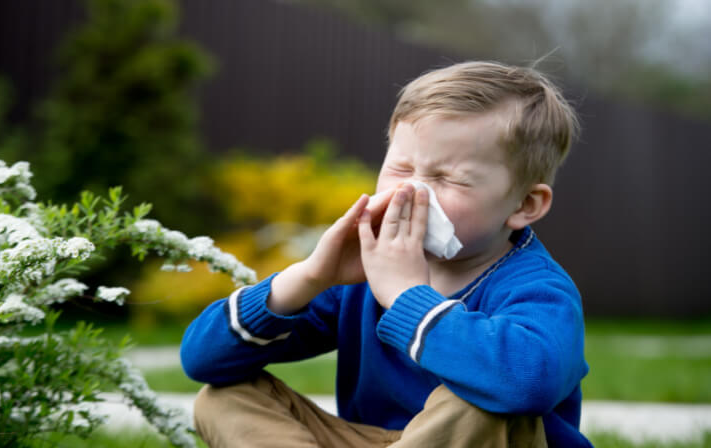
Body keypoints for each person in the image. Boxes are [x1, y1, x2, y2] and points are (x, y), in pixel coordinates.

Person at [181, 61, 591, 447]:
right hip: (371, 436)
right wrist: (309, 277)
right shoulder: (362, 273)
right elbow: (203, 361)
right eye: (400, 168)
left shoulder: (537, 288)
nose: (412, 192)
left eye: (449, 179)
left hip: (483, 439)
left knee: (481, 399)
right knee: (223, 396)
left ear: (525, 205)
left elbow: (527, 385)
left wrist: (406, 298)